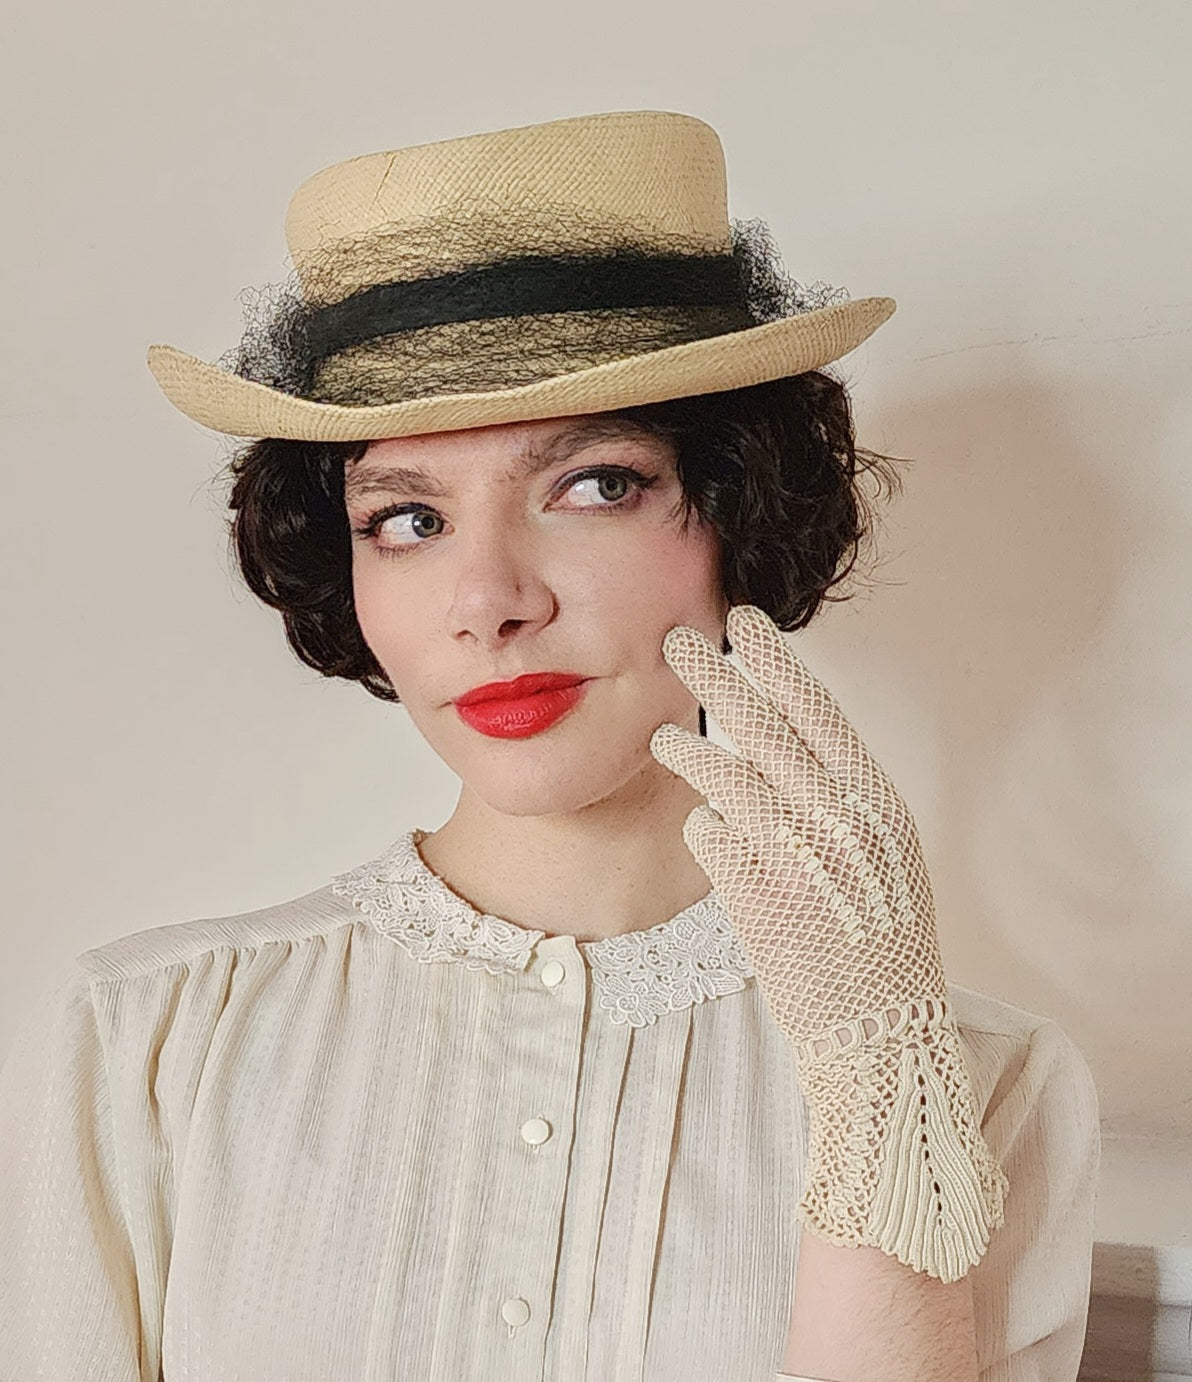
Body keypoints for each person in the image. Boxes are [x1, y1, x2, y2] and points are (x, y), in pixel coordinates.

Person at [0, 109, 1099, 1382]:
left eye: (594, 485)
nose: (487, 599)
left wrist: (878, 1087)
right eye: (405, 516)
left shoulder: (984, 1082)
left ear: (735, 516)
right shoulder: (155, 1032)